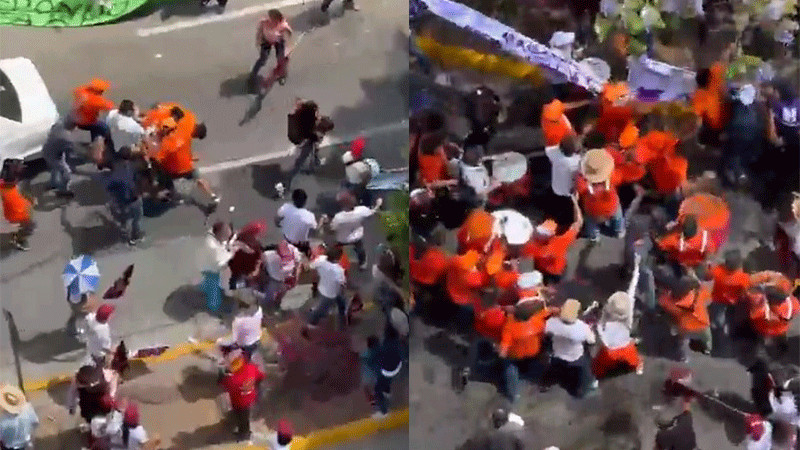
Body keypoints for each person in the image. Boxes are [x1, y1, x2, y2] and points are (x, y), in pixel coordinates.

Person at [593, 254, 643, 378]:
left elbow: (599, 328)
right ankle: (637, 367)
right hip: (626, 345)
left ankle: (597, 375)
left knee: (601, 364)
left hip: (609, 348)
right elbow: (632, 288)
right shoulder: (628, 313)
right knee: (633, 359)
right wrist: (636, 269)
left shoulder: (605, 317)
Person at [152, 117, 218, 206]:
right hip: (184, 168)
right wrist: (191, 158)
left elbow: (161, 157)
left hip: (171, 169)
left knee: (162, 178)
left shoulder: (182, 131)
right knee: (199, 179)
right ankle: (212, 196)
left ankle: (161, 194)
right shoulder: (186, 137)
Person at [498, 300, 555, 403]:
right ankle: (538, 380)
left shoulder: (509, 327)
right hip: (534, 351)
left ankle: (513, 394)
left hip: (515, 355)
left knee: (509, 368)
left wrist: (497, 349)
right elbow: (548, 311)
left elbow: (503, 352)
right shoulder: (537, 321)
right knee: (540, 362)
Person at [522, 194, 583, 286]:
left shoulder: (531, 246)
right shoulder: (558, 243)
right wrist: (575, 202)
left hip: (551, 271)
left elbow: (578, 223)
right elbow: (578, 222)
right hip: (552, 271)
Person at [544, 299, 598, 397]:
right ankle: (584, 388)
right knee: (585, 370)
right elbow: (591, 341)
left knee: (554, 370)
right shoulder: (582, 328)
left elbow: (546, 333)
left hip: (557, 355)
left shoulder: (551, 323)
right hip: (576, 358)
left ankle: (546, 384)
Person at [575, 148, 625, 241]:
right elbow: (620, 177)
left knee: (590, 220)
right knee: (618, 214)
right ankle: (619, 231)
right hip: (611, 207)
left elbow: (580, 190)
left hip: (592, 209)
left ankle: (593, 235)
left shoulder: (583, 182)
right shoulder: (612, 176)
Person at [659, 276, 712, 362]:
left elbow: (661, 301)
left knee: (682, 342)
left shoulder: (669, 303)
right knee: (707, 338)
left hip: (685, 329)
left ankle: (684, 357)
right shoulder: (698, 295)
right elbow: (708, 297)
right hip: (702, 326)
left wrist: (667, 293)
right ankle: (707, 349)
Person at [198, 222, 247, 313]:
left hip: (206, 264)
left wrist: (232, 239)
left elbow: (224, 244)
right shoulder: (213, 247)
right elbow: (221, 262)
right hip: (211, 269)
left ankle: (203, 289)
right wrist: (232, 251)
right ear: (220, 235)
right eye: (226, 236)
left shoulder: (213, 236)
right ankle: (213, 308)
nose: (227, 239)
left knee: (209, 284)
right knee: (213, 289)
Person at [329, 192, 382, 270]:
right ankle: (362, 264)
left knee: (333, 249)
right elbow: (373, 212)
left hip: (342, 240)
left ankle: (334, 262)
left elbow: (332, 229)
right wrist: (378, 204)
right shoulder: (361, 211)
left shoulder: (338, 217)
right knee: (360, 250)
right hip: (357, 239)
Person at [219, 352, 265, 443]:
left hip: (238, 403)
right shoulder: (251, 367)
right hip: (250, 398)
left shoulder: (232, 380)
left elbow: (224, 385)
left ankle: (244, 434)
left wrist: (224, 376)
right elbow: (261, 376)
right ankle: (244, 430)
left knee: (242, 419)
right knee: (245, 416)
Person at [106, 146, 145, 246]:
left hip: (122, 200)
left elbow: (111, 187)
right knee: (137, 218)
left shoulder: (116, 170)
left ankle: (124, 229)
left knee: (125, 216)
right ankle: (135, 236)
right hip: (134, 199)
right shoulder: (134, 167)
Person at [708, 249, 750, 336]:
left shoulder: (717, 271)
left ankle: (719, 328)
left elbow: (708, 275)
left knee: (718, 315)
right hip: (733, 300)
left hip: (718, 298)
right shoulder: (743, 278)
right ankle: (730, 328)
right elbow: (743, 292)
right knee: (733, 315)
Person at [544, 134, 582, 227]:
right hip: (570, 192)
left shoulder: (554, 153)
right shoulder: (578, 160)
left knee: (556, 208)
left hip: (556, 189)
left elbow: (547, 148)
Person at [250, 9, 292, 91]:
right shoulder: (264, 22)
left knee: (281, 59)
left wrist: (288, 44)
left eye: (272, 18)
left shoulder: (282, 25)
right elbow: (259, 31)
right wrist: (258, 40)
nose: (270, 19)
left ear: (277, 19)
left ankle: (282, 75)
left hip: (278, 41)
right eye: (269, 17)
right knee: (263, 58)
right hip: (266, 41)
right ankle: (253, 74)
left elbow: (289, 32)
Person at [307, 246, 347, 330]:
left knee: (339, 302)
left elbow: (312, 266)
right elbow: (342, 283)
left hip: (322, 287)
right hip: (331, 293)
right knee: (321, 310)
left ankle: (342, 314)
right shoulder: (338, 271)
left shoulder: (321, 260)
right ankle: (311, 323)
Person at [0, 161, 35, 251]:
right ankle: (19, 240)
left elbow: (21, 194)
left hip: (18, 214)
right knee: (29, 228)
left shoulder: (8, 186)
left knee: (27, 227)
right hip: (16, 216)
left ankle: (16, 236)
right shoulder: (9, 188)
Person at [71, 78, 115, 147]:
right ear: (100, 91)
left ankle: (93, 141)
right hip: (87, 122)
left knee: (96, 129)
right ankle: (106, 145)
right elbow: (110, 107)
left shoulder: (81, 91)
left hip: (76, 119)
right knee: (105, 128)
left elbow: (75, 91)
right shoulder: (96, 101)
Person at [41, 117, 78, 198]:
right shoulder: (66, 138)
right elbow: (74, 151)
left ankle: (53, 184)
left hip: (48, 150)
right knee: (66, 171)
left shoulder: (58, 125)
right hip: (53, 155)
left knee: (55, 168)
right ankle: (63, 190)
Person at [262, 240, 303, 310]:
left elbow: (299, 263)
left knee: (281, 294)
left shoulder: (293, 251)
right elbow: (261, 263)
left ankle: (276, 305)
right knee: (270, 294)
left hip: (286, 279)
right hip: (273, 279)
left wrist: (296, 277)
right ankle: (267, 308)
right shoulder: (268, 254)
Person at [275, 188, 317, 255]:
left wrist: (281, 225)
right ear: (305, 201)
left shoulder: (285, 208)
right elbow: (314, 232)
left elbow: (276, 222)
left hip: (287, 242)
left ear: (293, 199)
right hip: (301, 246)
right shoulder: (310, 216)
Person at [0, 385, 39, 450]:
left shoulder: (2, 421)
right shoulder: (28, 408)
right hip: (26, 443)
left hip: (10, 447)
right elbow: (35, 423)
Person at [341, 137, 373, 206]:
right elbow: (366, 178)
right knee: (366, 194)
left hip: (348, 181)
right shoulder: (361, 167)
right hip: (357, 185)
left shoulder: (346, 156)